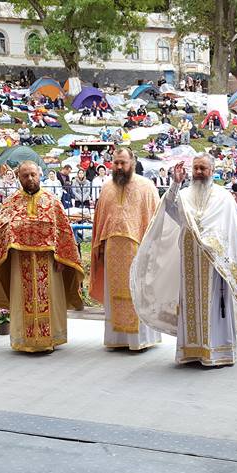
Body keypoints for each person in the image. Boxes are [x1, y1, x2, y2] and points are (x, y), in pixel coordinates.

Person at [131, 155, 237, 366]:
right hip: (189, 261)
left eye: (203, 168)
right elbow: (168, 208)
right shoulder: (184, 195)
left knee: (214, 307)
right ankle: (191, 350)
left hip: (215, 265)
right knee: (190, 305)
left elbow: (232, 234)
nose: (198, 172)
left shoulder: (224, 198)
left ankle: (217, 351)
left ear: (212, 170)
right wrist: (176, 183)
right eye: (196, 168)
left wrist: (221, 253)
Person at [0, 161, 84, 353]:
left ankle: (51, 337)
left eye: (33, 175)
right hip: (20, 263)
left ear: (40, 175)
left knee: (49, 299)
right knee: (23, 300)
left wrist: (62, 256)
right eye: (25, 175)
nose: (30, 179)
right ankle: (23, 339)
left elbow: (64, 233)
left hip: (49, 262)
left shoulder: (52, 202)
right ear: (19, 177)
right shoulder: (10, 204)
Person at [89, 148, 161, 351]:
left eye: (123, 163)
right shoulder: (106, 188)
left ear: (133, 162)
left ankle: (140, 340)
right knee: (115, 294)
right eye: (116, 163)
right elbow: (100, 221)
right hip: (112, 251)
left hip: (138, 250)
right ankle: (117, 339)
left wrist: (151, 250)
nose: (119, 167)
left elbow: (154, 221)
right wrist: (99, 247)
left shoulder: (146, 187)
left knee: (137, 292)